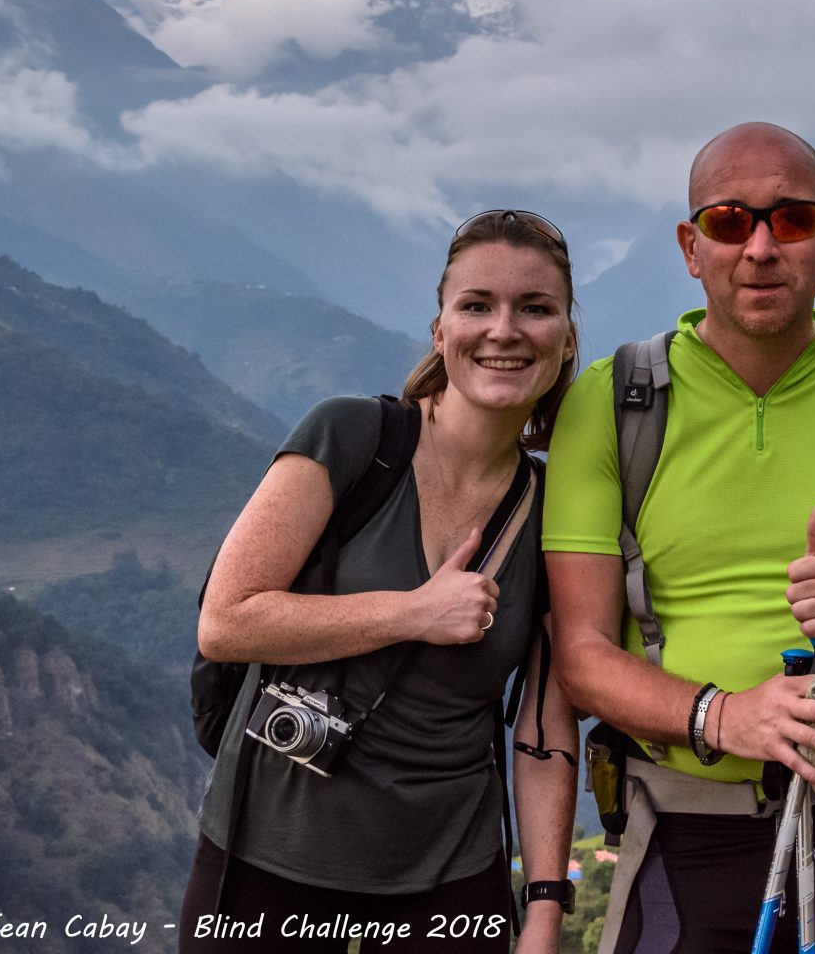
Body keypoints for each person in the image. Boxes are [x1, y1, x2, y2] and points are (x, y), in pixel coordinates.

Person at [543, 122, 815, 953]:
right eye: (727, 220)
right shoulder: (613, 403)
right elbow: (581, 656)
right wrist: (726, 716)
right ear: (689, 246)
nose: (759, 246)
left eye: (790, 220)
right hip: (684, 825)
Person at [181, 210, 581, 954]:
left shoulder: (558, 510)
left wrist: (546, 908)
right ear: (440, 331)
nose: (504, 329)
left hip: (451, 873)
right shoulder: (353, 438)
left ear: (565, 338)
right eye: (476, 305)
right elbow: (227, 621)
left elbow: (541, 728)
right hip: (271, 852)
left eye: (535, 308)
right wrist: (410, 612)